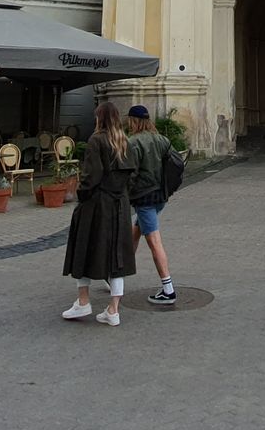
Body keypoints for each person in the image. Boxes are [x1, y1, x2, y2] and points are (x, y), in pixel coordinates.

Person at [61, 103, 136, 327]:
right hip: (120, 205)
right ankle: (114, 309)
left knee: (83, 249)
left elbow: (90, 176)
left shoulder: (96, 140)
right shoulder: (125, 141)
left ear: (99, 119)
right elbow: (132, 175)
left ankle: (83, 300)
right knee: (117, 257)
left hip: (97, 204)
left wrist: (82, 196)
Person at [124, 105, 178, 306]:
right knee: (135, 232)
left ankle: (168, 289)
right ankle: (116, 273)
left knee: (154, 242)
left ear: (133, 121)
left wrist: (125, 194)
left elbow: (131, 173)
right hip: (160, 196)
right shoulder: (162, 139)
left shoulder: (133, 142)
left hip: (144, 198)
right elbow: (176, 162)